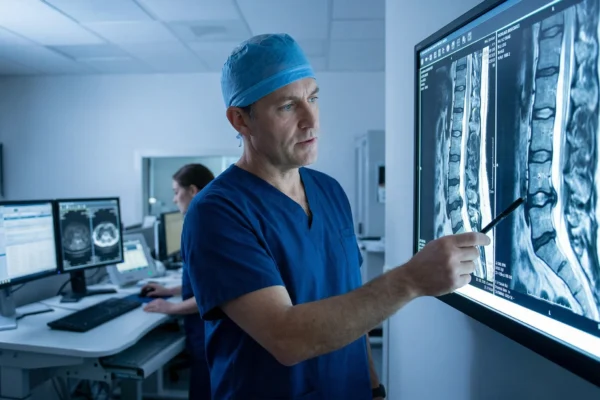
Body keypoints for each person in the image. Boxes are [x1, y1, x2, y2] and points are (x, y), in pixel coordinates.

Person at [181, 33, 491, 399]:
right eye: (287, 106)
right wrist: (410, 280)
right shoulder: (218, 212)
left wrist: (374, 387)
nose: (311, 120)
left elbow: (350, 301)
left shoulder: (329, 191)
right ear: (240, 120)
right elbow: (286, 337)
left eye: (313, 98)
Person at [142, 163, 214, 400]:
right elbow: (204, 280)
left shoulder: (204, 227)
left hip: (208, 336)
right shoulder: (206, 221)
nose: (173, 199)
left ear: (192, 191)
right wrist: (171, 290)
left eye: (176, 191)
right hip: (203, 334)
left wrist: (171, 307)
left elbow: (212, 295)